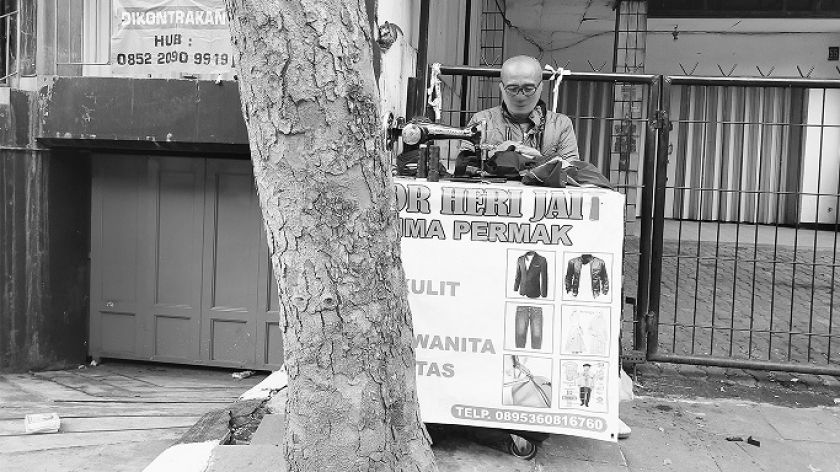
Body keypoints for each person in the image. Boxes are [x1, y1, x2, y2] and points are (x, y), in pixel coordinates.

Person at [458, 55, 580, 169]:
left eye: (528, 89)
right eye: (512, 89)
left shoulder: (561, 124)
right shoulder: (481, 120)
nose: (520, 96)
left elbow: (573, 171)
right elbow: (463, 167)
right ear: (501, 88)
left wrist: (540, 160)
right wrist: (493, 155)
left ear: (540, 87)